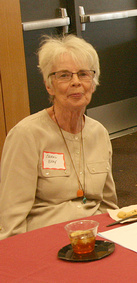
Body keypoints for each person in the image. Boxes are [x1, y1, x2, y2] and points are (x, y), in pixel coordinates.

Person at [0, 35, 118, 239]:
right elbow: (12, 221)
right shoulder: (27, 135)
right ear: (49, 85)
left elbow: (109, 205)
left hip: (95, 239)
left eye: (83, 74)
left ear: (93, 82)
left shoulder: (99, 133)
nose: (76, 82)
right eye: (64, 75)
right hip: (47, 241)